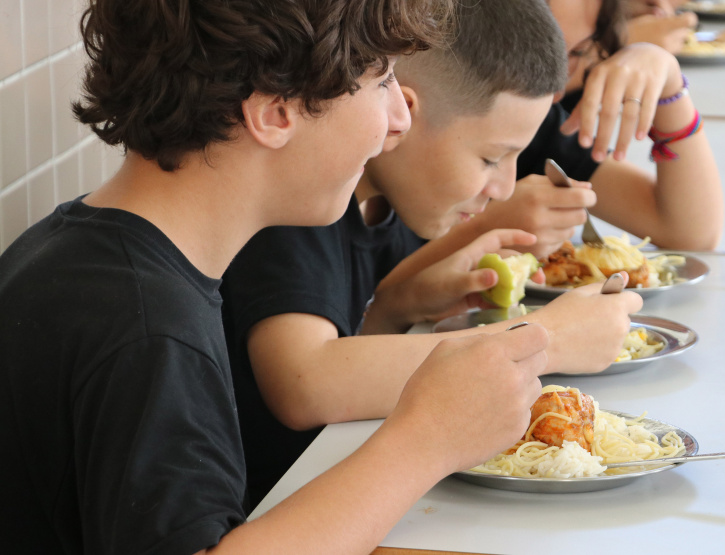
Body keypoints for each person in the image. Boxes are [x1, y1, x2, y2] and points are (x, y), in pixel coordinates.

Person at [0, 1, 576, 553]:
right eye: (381, 81)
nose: (400, 118)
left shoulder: (78, 253)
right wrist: (426, 439)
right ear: (276, 111)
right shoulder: (148, 327)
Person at [220, 0, 643, 506]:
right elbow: (304, 384)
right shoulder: (303, 203)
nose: (505, 186)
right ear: (404, 114)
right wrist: (549, 340)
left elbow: (346, 336)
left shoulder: (388, 201)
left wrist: (397, 306)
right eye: (491, 158)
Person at [495, 0, 723, 253]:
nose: (559, 89)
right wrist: (479, 233)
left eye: (579, 52)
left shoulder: (537, 122)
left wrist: (669, 83)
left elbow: (690, 233)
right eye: (537, 54)